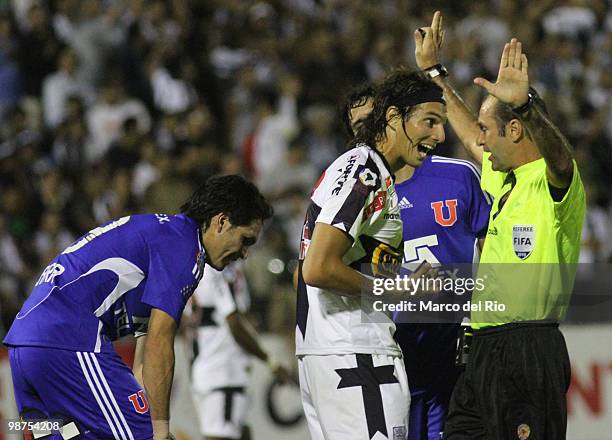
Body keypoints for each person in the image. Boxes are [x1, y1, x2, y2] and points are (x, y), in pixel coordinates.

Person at [414, 12, 585, 439]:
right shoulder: (499, 173)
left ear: (515, 128)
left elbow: (561, 161)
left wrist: (526, 105)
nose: (481, 140)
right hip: (479, 352)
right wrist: (434, 73)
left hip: (528, 350)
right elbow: (470, 133)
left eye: (490, 129)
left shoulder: (554, 182)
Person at [4, 175, 273, 440]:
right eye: (246, 239)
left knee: (65, 435)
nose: (245, 253)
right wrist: (158, 430)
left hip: (24, 347)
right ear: (221, 222)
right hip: (68, 341)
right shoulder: (185, 248)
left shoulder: (160, 237)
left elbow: (143, 358)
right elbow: (160, 344)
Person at [296, 68, 444, 440]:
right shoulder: (365, 171)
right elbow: (317, 268)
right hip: (356, 354)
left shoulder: (364, 169)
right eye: (429, 121)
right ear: (393, 117)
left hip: (334, 349)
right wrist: (399, 292)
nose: (439, 136)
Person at [344, 79, 492, 440]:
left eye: (371, 122)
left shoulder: (458, 175)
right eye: (357, 128)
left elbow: (493, 246)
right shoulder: (356, 191)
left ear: (391, 118)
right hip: (393, 349)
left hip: (457, 345)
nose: (367, 135)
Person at [190, 261, 291, 440]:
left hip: (209, 370)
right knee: (222, 435)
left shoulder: (194, 268)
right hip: (223, 372)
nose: (245, 251)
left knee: (241, 432)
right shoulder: (216, 271)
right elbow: (234, 324)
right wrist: (271, 361)